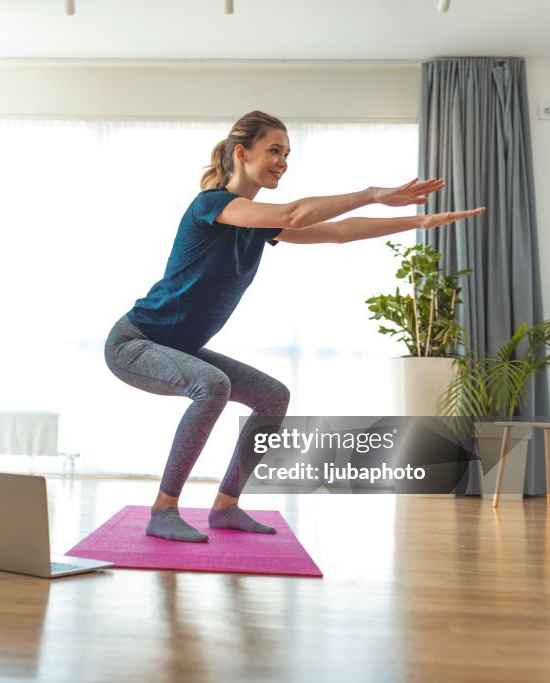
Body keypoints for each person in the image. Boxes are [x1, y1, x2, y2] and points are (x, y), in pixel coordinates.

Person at [104, 110, 485, 543]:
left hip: (178, 347)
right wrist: (373, 193)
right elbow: (297, 212)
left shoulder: (258, 225)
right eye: (274, 150)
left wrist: (418, 222)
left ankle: (226, 505)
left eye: (287, 153)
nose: (283, 161)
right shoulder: (211, 206)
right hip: (134, 342)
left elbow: (338, 233)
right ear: (242, 153)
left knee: (271, 397)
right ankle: (164, 509)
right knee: (212, 386)